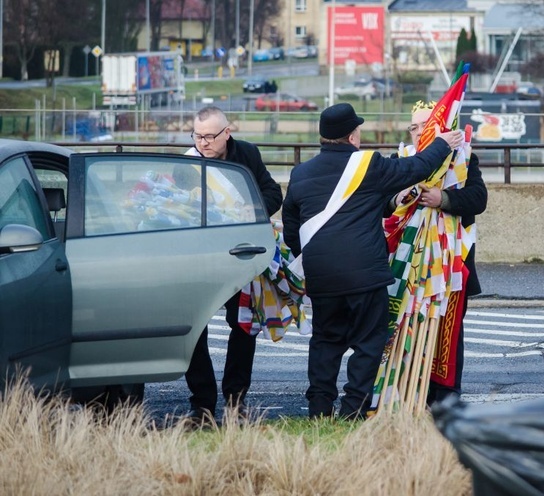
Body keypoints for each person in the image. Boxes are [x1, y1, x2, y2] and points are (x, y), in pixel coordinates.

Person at [282, 103, 464, 419]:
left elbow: (291, 231)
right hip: (365, 274)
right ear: (353, 135)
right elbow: (416, 167)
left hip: (322, 277)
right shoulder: (368, 164)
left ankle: (319, 409)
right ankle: (353, 409)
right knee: (368, 342)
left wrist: (316, 259)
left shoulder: (301, 173)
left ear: (323, 137)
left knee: (326, 341)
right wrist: (442, 143)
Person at [184, 106, 283, 423]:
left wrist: (252, 211)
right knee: (194, 330)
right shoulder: (186, 163)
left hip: (239, 255)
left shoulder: (247, 154)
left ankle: (235, 400)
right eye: (198, 136)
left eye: (210, 136)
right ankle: (201, 404)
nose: (203, 143)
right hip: (198, 260)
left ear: (228, 132)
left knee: (243, 326)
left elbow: (272, 192)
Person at [390, 102, 488, 406]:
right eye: (414, 127)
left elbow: (478, 199)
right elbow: (383, 202)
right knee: (405, 328)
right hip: (407, 264)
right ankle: (405, 390)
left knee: (448, 332)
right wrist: (400, 198)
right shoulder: (400, 160)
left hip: (450, 264)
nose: (418, 132)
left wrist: (442, 198)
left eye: (424, 125)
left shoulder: (464, 160)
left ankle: (445, 395)